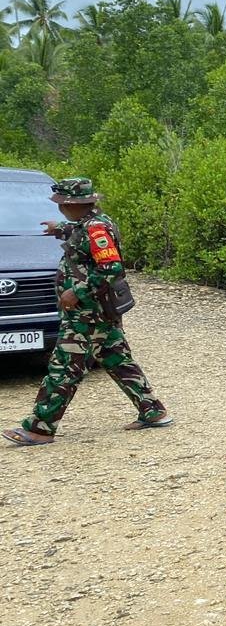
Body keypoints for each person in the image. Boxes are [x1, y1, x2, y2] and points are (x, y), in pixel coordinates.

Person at [4, 178, 172, 446]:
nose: (60, 209)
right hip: (97, 314)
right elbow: (80, 234)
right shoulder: (89, 224)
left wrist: (77, 292)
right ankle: (153, 411)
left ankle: (40, 428)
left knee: (63, 368)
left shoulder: (96, 229)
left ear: (73, 204)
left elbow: (111, 268)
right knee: (117, 359)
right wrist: (59, 228)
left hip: (87, 314)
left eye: (61, 204)